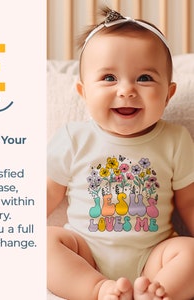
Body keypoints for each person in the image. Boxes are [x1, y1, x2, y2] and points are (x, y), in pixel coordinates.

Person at [47, 7, 194, 300]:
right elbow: (47, 194)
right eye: (109, 78)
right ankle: (98, 289)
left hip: (153, 257)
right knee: (43, 244)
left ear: (169, 93)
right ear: (84, 91)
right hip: (84, 253)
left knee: (190, 252)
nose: (126, 90)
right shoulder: (73, 138)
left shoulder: (175, 139)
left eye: (144, 78)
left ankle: (156, 292)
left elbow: (188, 201)